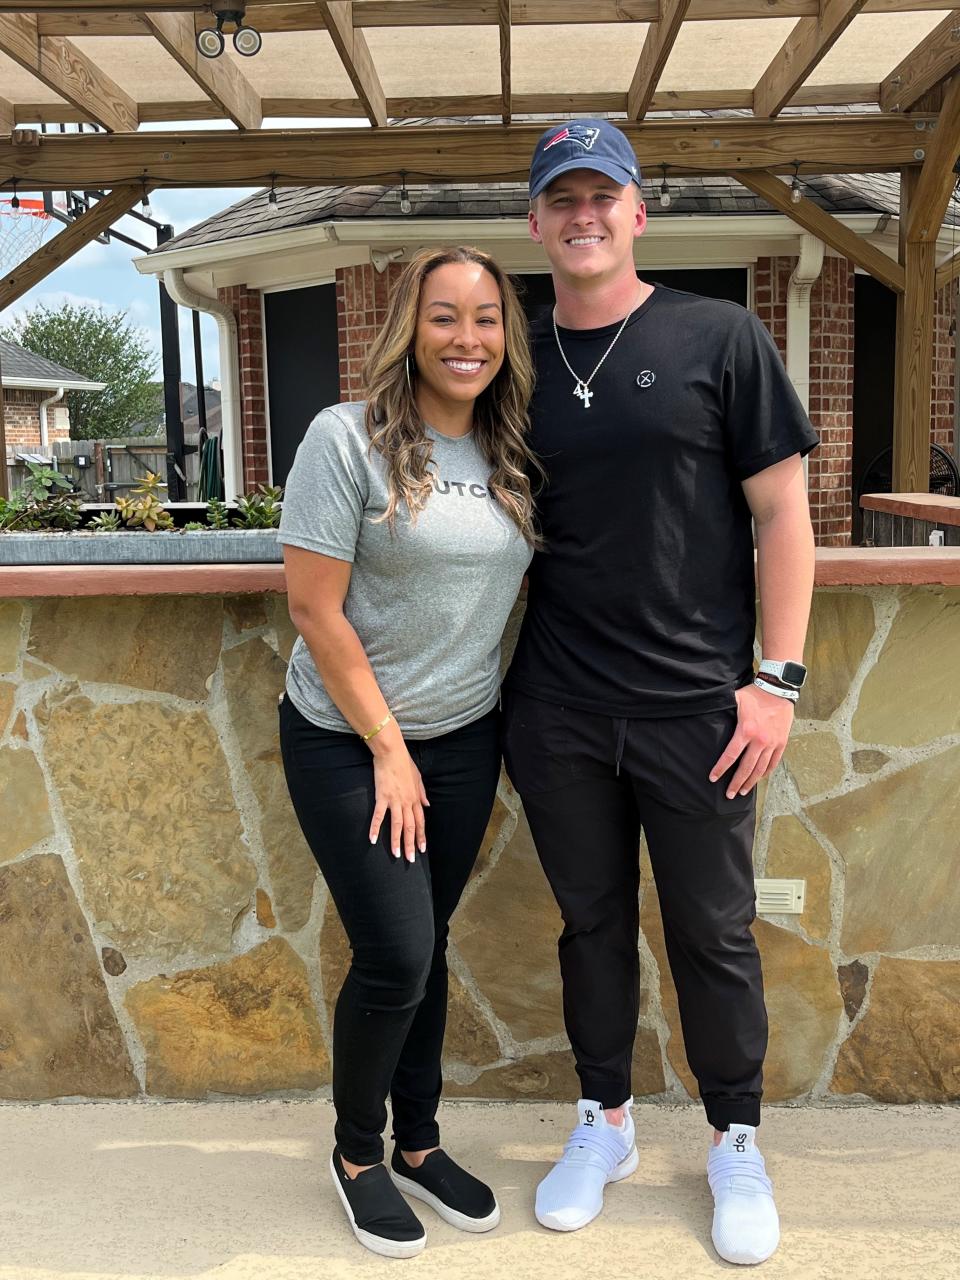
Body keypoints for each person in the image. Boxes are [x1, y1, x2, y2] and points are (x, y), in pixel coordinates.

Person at [502, 120, 818, 1266]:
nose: (583, 214)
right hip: (558, 708)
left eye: (604, 194)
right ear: (535, 222)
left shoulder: (719, 337)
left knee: (714, 931)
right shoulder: (515, 364)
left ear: (640, 212)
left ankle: (735, 1137)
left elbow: (785, 516)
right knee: (591, 927)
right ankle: (607, 1123)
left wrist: (775, 682)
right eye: (561, 197)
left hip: (700, 707)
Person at [278, 246, 538, 1259]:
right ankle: (356, 1154)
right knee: (397, 953)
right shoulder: (344, 440)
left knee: (425, 945)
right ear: (409, 328)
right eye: (445, 316)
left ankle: (421, 1143)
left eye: (485, 318)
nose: (467, 338)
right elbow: (313, 605)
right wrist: (387, 745)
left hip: (466, 739)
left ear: (506, 337)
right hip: (351, 741)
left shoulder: (514, 449)